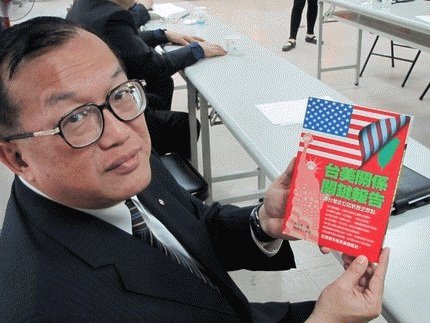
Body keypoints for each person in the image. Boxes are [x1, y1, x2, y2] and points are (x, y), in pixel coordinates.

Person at [0, 17, 389, 323]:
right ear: (17, 158)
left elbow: (192, 225)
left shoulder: (117, 162)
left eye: (119, 93)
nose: (121, 132)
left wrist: (262, 222)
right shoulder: (46, 307)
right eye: (75, 118)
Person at [67, 0, 226, 111]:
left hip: (91, 92)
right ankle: (155, 148)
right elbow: (156, 66)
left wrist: (163, 35)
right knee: (184, 125)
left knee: (163, 83)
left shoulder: (86, 5)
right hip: (109, 103)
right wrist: (197, 50)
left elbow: (119, 40)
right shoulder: (113, 16)